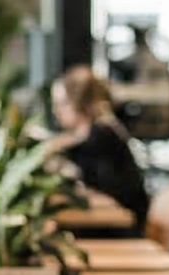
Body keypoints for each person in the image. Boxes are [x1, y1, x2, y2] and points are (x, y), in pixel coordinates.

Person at [48, 66, 151, 227]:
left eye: (62, 103)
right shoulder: (98, 131)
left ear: (78, 102)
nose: (56, 111)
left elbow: (109, 193)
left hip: (122, 225)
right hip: (115, 218)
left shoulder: (102, 136)